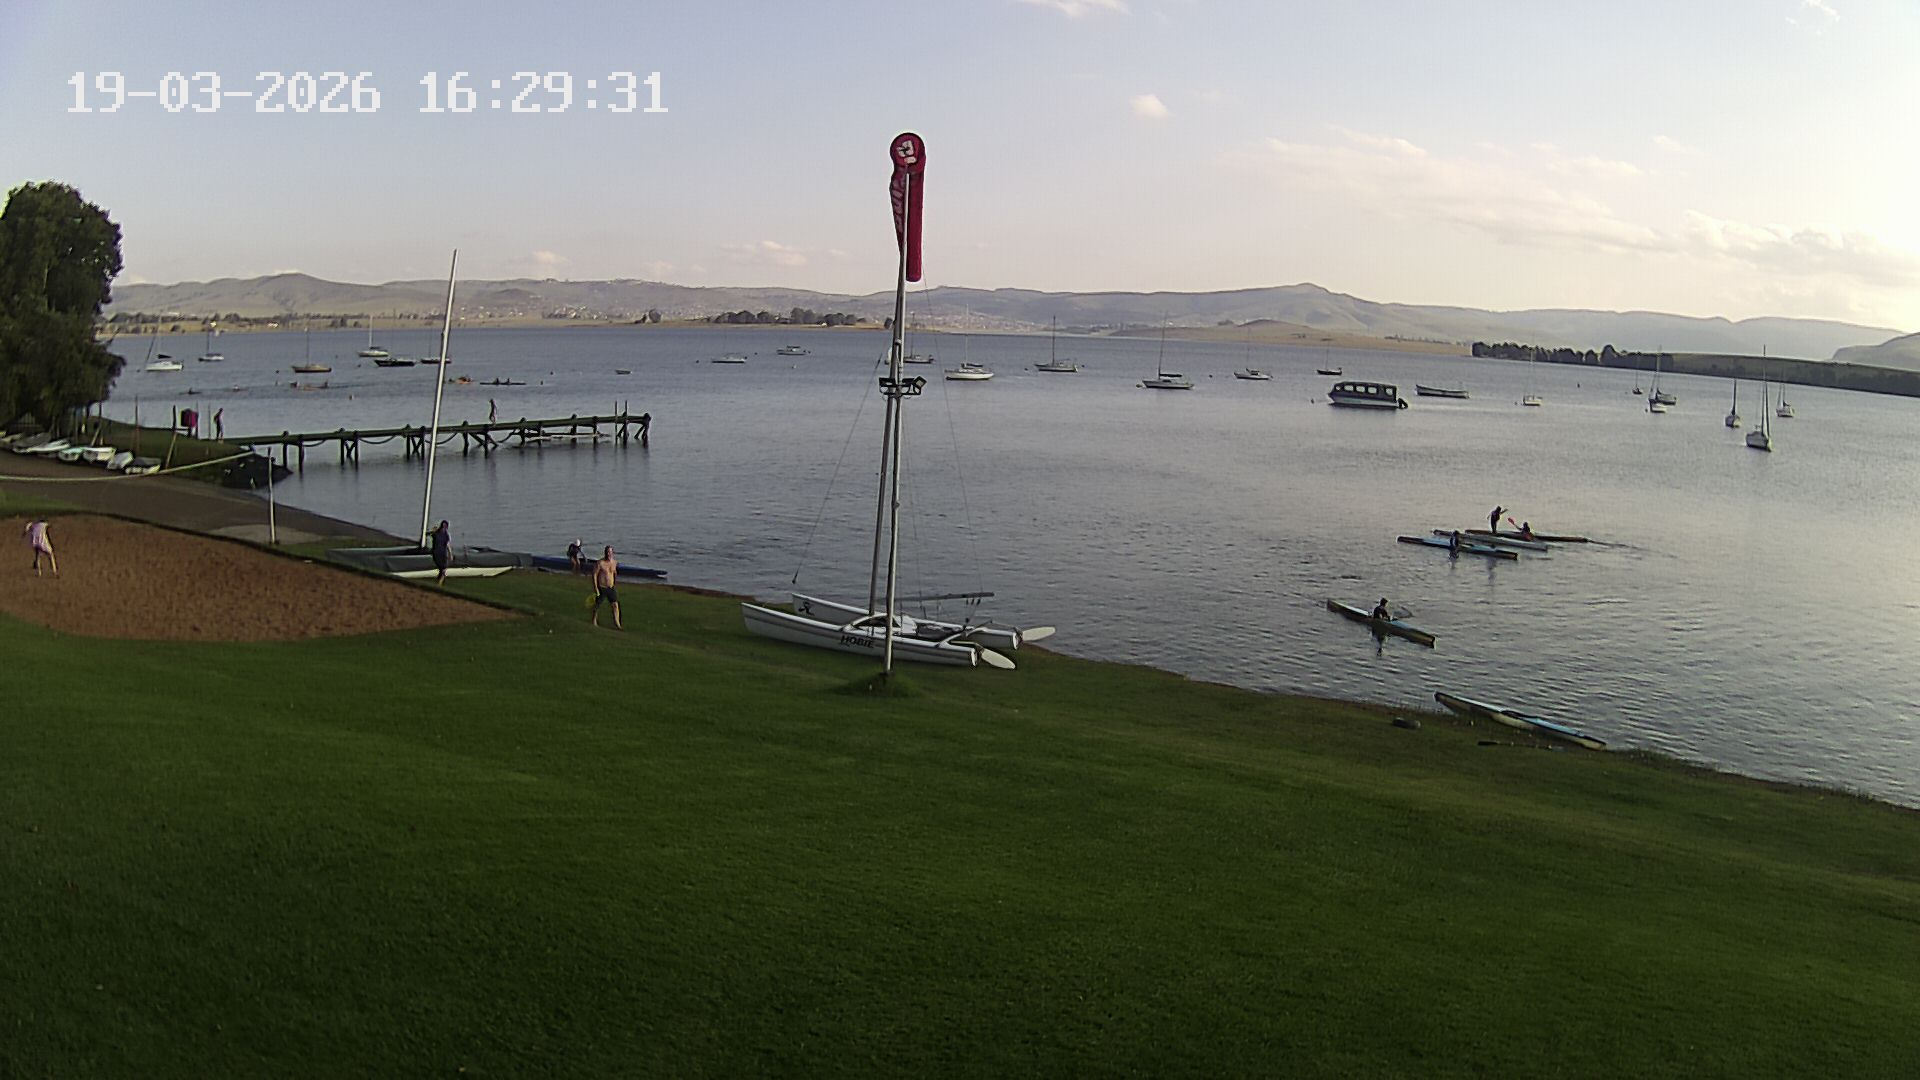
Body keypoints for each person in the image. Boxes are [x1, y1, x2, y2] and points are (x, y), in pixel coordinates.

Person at [590, 545, 622, 629]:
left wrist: (614, 583)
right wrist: (596, 588)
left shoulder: (614, 562)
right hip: (602, 587)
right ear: (605, 553)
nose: (609, 554)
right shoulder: (600, 563)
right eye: (608, 552)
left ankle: (617, 623)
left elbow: (614, 573)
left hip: (611, 587)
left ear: (613, 553)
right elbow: (594, 575)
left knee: (615, 605)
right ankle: (594, 620)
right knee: (597, 605)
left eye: (610, 552)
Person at [428, 520, 451, 586]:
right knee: (442, 568)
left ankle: (439, 582)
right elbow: (430, 533)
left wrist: (450, 553)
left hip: (443, 553)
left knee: (443, 569)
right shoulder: (436, 533)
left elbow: (447, 544)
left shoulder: (446, 534)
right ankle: (439, 582)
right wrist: (433, 530)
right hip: (436, 552)